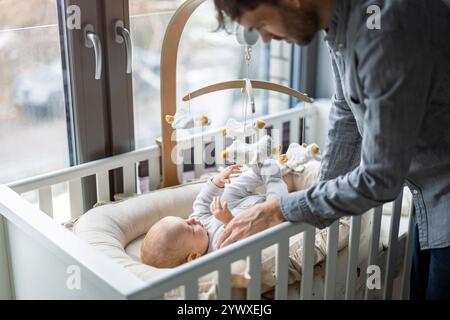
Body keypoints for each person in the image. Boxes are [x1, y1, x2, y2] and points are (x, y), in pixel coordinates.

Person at [213, 0, 450, 299]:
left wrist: (277, 210)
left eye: (261, 25)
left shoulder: (384, 31)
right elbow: (345, 109)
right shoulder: (341, 27)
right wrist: (322, 197)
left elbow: (380, 179)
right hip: (429, 198)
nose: (265, 39)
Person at [140, 160, 288, 268]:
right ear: (194, 256)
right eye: (190, 229)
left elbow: (203, 202)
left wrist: (216, 183)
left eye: (185, 220)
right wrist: (228, 221)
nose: (192, 220)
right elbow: (244, 238)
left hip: (242, 202)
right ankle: (274, 177)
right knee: (276, 206)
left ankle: (258, 167)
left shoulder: (198, 221)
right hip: (268, 217)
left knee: (229, 191)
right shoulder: (218, 250)